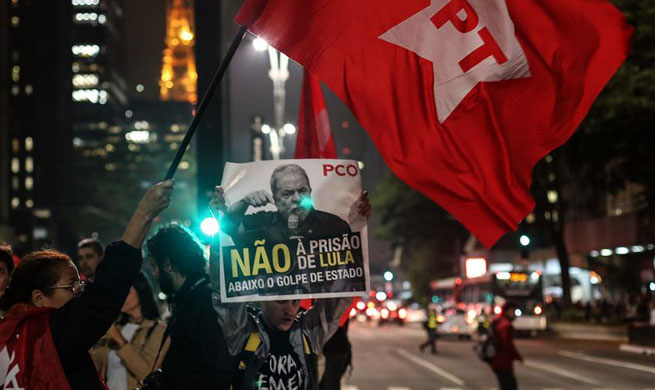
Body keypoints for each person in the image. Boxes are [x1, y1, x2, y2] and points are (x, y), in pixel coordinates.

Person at [0, 180, 173, 390]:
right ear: (39, 298)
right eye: (72, 286)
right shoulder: (47, 337)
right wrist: (145, 212)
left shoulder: (9, 340)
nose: (80, 293)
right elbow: (104, 292)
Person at [210, 186, 367, 390]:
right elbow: (222, 288)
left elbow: (341, 294)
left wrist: (355, 223)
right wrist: (224, 224)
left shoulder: (309, 333)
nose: (290, 309)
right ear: (261, 299)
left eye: (295, 301)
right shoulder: (242, 333)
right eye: (281, 301)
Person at [145, 223, 233, 389]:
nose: (154, 274)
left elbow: (218, 372)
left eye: (154, 266)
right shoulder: (187, 302)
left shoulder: (207, 302)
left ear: (167, 264)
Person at [221, 163, 352, 245]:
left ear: (310, 192)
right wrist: (244, 202)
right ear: (275, 200)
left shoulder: (335, 226)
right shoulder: (262, 223)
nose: (297, 198)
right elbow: (227, 227)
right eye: (287, 194)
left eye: (302, 191)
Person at [91, 271, 168, 390]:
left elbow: (146, 373)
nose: (121, 298)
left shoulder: (158, 330)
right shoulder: (117, 327)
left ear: (140, 292)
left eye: (126, 292)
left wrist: (119, 340)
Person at [489, 302, 524, 390]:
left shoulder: (498, 321)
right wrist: (517, 356)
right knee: (510, 386)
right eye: (513, 311)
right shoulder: (506, 325)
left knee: (505, 385)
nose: (514, 314)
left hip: (495, 360)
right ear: (507, 311)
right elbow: (507, 344)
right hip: (502, 361)